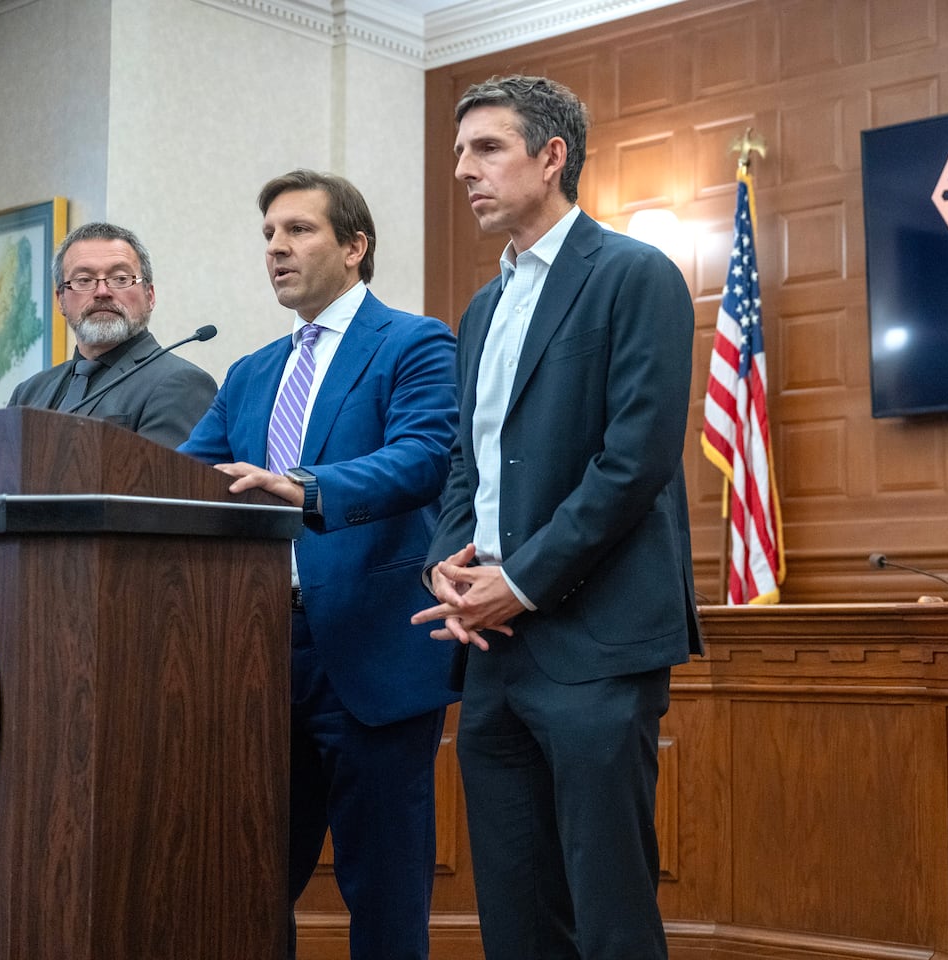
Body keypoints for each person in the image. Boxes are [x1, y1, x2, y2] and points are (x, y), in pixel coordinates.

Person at [411, 75, 703, 960]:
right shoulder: (482, 307)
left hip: (595, 643)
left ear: (552, 156)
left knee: (609, 909)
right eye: (459, 152)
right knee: (515, 908)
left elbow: (636, 462)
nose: (464, 169)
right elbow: (470, 460)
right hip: (494, 653)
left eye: (487, 149)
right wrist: (445, 563)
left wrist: (524, 581)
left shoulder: (634, 274)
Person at [178, 169, 458, 960]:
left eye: (298, 230)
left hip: (374, 651)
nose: (276, 249)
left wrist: (303, 488)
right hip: (260, 658)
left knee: (383, 889)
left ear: (355, 246)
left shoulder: (414, 341)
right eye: (268, 234)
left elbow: (423, 457)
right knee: (250, 879)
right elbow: (181, 481)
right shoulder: (250, 372)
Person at [7, 221, 216, 447]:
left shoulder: (182, 383)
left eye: (120, 279)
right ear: (60, 300)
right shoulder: (28, 392)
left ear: (150, 296)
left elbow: (156, 480)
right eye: (84, 280)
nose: (102, 292)